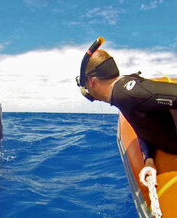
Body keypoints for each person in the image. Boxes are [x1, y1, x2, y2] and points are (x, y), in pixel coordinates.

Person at [76, 37, 177, 187]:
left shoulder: (127, 94)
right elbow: (147, 125)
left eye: (86, 86)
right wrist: (149, 160)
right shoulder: (121, 96)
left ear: (92, 82)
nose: (87, 91)